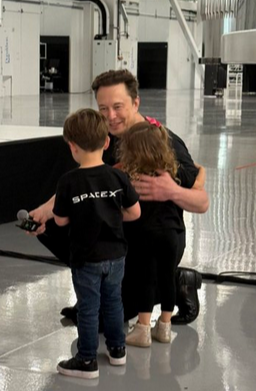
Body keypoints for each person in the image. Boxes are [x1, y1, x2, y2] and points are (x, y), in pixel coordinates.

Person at [29, 70, 208, 324]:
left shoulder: (161, 142)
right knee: (53, 226)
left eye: (117, 107)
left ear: (135, 103)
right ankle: (97, 284)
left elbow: (202, 203)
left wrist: (171, 191)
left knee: (107, 320)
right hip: (118, 237)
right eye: (103, 109)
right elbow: (84, 181)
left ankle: (177, 279)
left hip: (154, 242)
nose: (110, 116)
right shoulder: (103, 140)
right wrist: (45, 211)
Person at [52, 108, 140, 379]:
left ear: (72, 147)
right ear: (106, 142)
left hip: (85, 259)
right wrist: (110, 215)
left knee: (88, 308)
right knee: (114, 303)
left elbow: (60, 220)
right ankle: (117, 350)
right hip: (116, 256)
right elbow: (135, 212)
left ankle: (87, 359)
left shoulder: (68, 182)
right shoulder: (118, 177)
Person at [115, 120, 189, 347]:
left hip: (144, 233)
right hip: (172, 232)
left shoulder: (129, 175)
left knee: (145, 279)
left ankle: (143, 328)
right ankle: (165, 326)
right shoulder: (170, 171)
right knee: (167, 278)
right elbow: (197, 176)